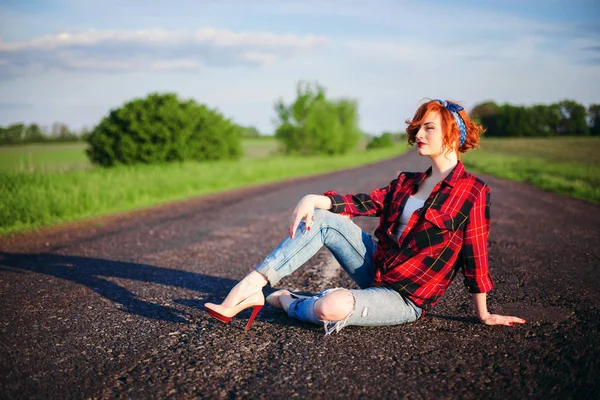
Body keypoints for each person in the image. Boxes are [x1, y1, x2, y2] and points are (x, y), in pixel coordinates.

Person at [204, 99, 526, 334]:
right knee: (325, 218)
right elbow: (364, 203)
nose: (418, 135)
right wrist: (313, 198)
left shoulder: (473, 192)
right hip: (378, 267)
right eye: (417, 128)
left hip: (406, 298)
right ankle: (250, 286)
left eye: (428, 128)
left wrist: (483, 314)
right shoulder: (407, 181)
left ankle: (289, 301)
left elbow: (476, 258)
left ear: (452, 136)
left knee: (331, 307)